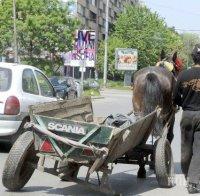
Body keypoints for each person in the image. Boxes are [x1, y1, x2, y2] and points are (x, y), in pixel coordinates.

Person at [173, 43, 200, 194]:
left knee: (186, 148)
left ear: (193, 57)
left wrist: (181, 104)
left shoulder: (183, 75)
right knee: (199, 150)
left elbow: (175, 96)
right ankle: (194, 182)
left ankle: (188, 176)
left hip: (187, 115)